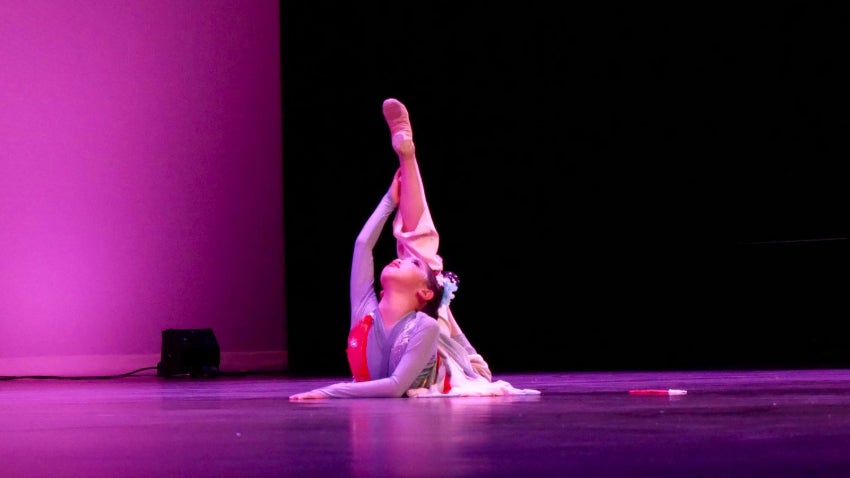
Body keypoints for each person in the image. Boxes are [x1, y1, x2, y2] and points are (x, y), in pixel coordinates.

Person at [289, 99, 539, 399]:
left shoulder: (402, 320)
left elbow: (395, 386)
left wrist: (328, 392)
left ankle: (407, 155)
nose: (398, 261)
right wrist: (388, 201)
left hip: (449, 352)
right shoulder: (376, 312)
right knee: (423, 256)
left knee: (424, 263)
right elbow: (363, 245)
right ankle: (408, 157)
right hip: (461, 354)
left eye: (406, 264)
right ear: (424, 293)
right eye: (406, 264)